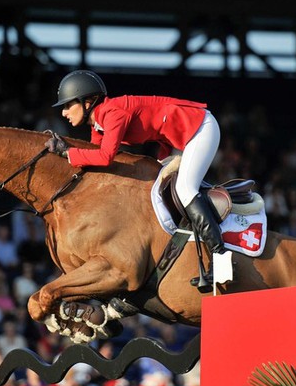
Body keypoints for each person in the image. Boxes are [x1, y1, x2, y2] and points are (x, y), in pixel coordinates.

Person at [45, 70, 225, 281]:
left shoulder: (113, 113)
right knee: (157, 190)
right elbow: (92, 158)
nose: (64, 112)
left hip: (199, 128)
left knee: (185, 190)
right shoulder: (98, 124)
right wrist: (61, 159)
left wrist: (66, 152)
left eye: (68, 105)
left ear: (88, 102)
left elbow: (105, 157)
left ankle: (220, 258)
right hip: (177, 141)